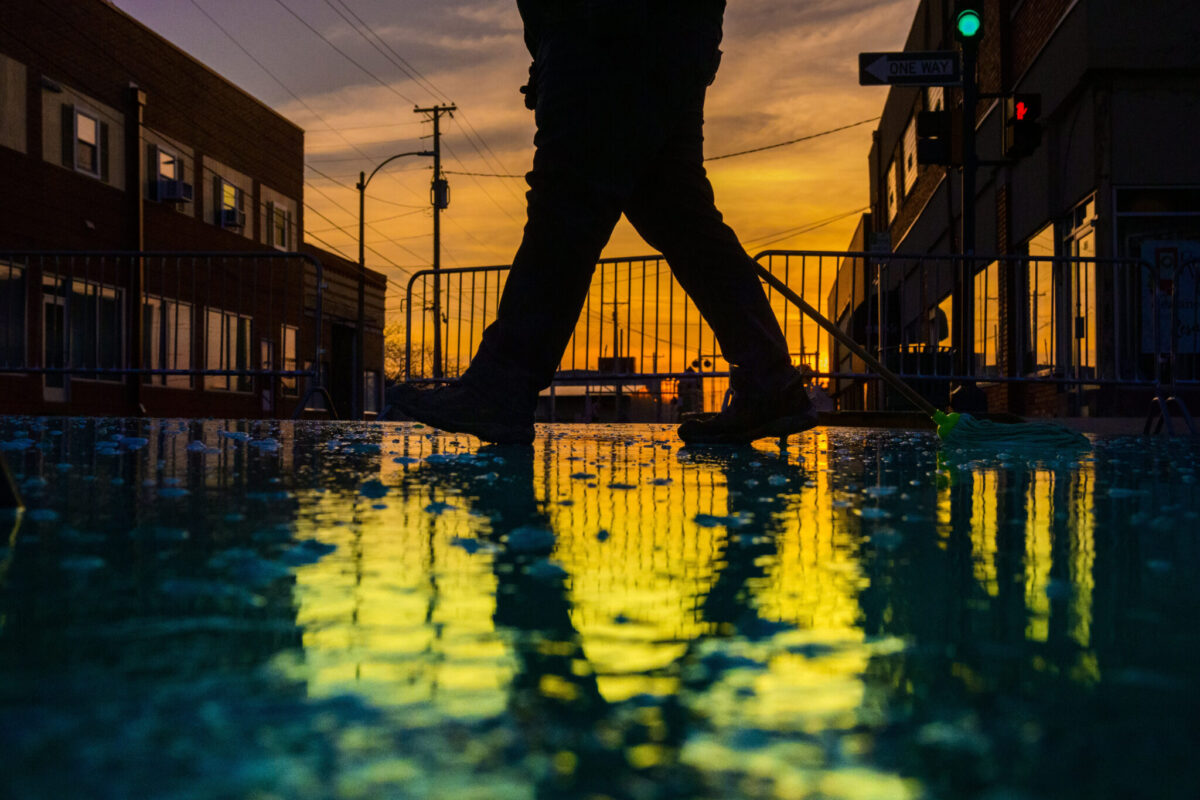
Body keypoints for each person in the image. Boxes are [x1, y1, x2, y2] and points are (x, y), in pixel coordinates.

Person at [390, 0, 817, 445]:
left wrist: (564, 38)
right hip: (664, 33)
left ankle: (502, 384)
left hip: (605, 28)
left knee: (569, 201)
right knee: (678, 211)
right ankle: (770, 380)